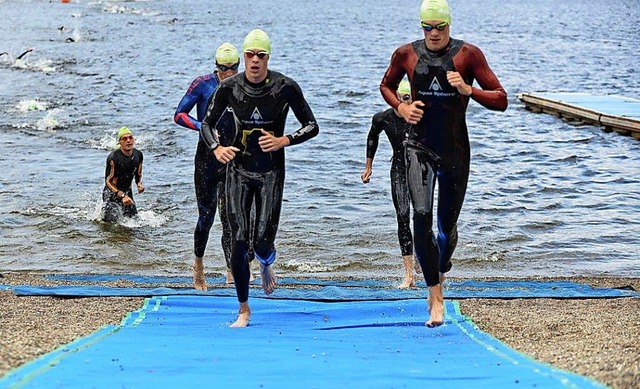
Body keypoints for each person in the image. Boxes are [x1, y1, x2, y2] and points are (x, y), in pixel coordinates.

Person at [380, 0, 507, 327]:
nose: (433, 33)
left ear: (449, 25)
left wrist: (469, 90)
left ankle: (441, 266)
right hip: (418, 148)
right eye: (427, 27)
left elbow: (501, 98)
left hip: (454, 150)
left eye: (439, 27)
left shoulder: (468, 55)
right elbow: (386, 85)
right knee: (420, 217)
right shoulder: (406, 54)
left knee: (445, 231)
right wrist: (400, 109)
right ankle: (435, 295)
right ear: (421, 27)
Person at [201, 29, 319, 327]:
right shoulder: (230, 87)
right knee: (240, 240)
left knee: (263, 243)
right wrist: (216, 147)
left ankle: (267, 264)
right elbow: (206, 124)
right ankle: (243, 309)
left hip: (270, 172)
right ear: (244, 58)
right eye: (250, 56)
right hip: (238, 170)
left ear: (268, 57)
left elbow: (312, 125)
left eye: (261, 56)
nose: (255, 61)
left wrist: (285, 140)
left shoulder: (284, 87)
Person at [174, 42, 251, 290]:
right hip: (206, 159)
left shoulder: (245, 85)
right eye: (224, 68)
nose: (229, 73)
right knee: (206, 217)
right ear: (216, 67)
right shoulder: (203, 84)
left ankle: (231, 269)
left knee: (232, 217)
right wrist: (202, 127)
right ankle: (198, 266)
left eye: (234, 68)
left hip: (232, 159)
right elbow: (179, 114)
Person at [361, 80, 421, 289]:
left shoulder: (419, 116)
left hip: (419, 169)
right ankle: (409, 274)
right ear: (396, 99)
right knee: (403, 216)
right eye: (404, 99)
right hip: (398, 169)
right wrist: (369, 166)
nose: (408, 104)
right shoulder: (383, 118)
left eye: (411, 99)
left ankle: (422, 255)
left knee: (421, 215)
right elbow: (372, 137)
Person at [102, 126, 144, 223]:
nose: (128, 141)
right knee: (111, 225)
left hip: (127, 193)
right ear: (119, 142)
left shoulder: (138, 155)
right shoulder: (113, 158)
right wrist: (121, 196)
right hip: (112, 194)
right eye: (124, 139)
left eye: (130, 138)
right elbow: (108, 181)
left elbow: (138, 174)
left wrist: (139, 184)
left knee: (134, 221)